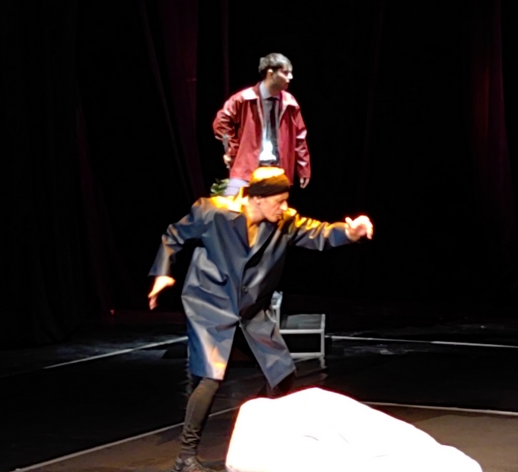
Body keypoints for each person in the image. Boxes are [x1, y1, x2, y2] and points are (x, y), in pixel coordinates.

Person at [147, 167, 374, 472]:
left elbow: (318, 232)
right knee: (211, 376)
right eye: (278, 201)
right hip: (209, 302)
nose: (284, 207)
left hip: (251, 307)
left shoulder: (284, 221)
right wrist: (163, 273)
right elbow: (173, 235)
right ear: (257, 198)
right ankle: (185, 457)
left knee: (281, 372)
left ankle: (251, 427)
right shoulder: (213, 212)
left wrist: (351, 232)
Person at [214, 53, 310, 197]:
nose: (290, 77)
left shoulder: (290, 102)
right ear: (270, 73)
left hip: (277, 170)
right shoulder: (244, 98)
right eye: (285, 73)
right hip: (246, 168)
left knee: (273, 208)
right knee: (232, 205)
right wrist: (233, 149)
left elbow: (299, 136)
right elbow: (221, 122)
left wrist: (303, 167)